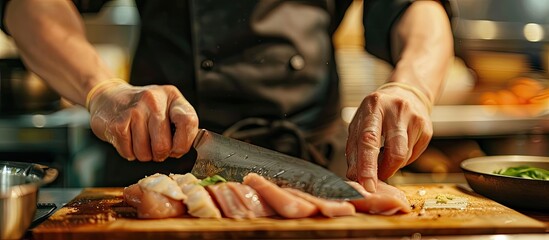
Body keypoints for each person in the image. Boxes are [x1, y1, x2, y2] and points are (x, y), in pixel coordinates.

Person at [1, 0, 453, 191]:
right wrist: (102, 90)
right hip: (162, 157)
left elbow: (417, 5)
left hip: (317, 166)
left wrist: (411, 86)